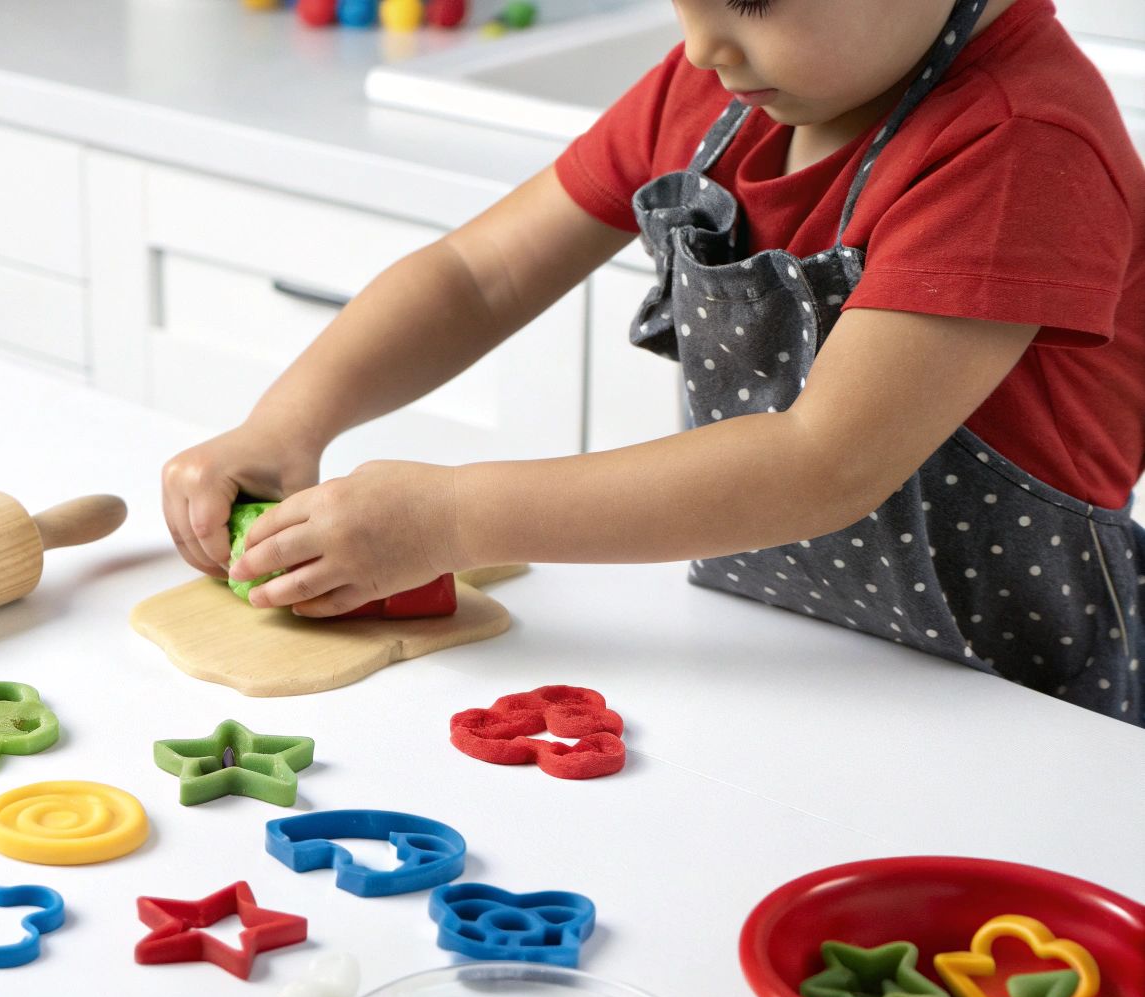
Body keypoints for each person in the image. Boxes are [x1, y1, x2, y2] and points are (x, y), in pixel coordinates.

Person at [159, 0, 1145, 724]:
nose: (702, 44)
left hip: (1011, 703)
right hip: (767, 658)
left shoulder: (1021, 145)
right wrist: (287, 422)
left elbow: (823, 461)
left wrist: (446, 517)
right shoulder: (724, 85)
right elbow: (478, 275)